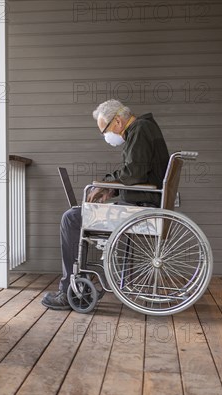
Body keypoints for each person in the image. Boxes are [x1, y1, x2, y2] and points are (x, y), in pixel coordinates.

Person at [41, 99, 170, 310]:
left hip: (142, 208)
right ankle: (77, 285)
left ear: (117, 121)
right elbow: (137, 175)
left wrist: (105, 184)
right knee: (77, 214)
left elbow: (134, 173)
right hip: (142, 203)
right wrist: (111, 188)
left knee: (72, 218)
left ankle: (68, 291)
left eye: (105, 131)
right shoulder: (142, 129)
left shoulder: (140, 129)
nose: (106, 137)